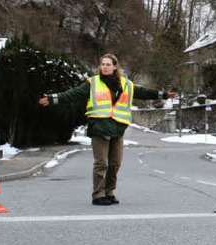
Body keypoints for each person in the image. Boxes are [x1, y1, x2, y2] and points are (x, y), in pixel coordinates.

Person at [39, 53, 176, 206]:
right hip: (99, 128)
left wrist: (163, 95)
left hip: (118, 128)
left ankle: (109, 191)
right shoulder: (92, 83)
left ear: (115, 66)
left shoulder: (125, 84)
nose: (104, 67)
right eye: (102, 64)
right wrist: (53, 98)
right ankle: (98, 194)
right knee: (101, 163)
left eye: (108, 64)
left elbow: (143, 92)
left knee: (115, 163)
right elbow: (73, 94)